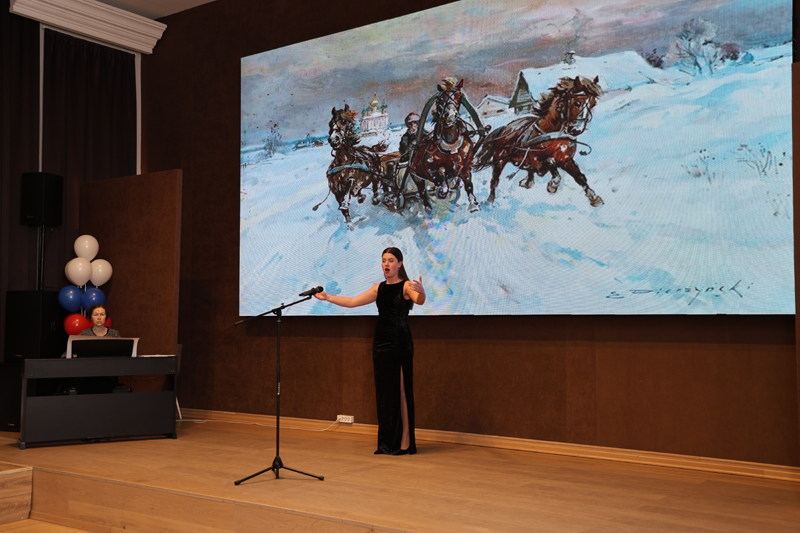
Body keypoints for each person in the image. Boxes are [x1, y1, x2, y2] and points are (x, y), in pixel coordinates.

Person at [315, 247, 425, 455]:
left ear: (399, 264)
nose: (386, 264)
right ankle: (387, 443)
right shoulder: (379, 288)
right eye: (384, 260)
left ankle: (405, 443)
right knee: (385, 393)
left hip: (399, 342)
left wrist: (421, 291)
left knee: (401, 391)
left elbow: (419, 300)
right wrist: (327, 297)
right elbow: (353, 302)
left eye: (391, 260)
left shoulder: (406, 286)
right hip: (381, 343)